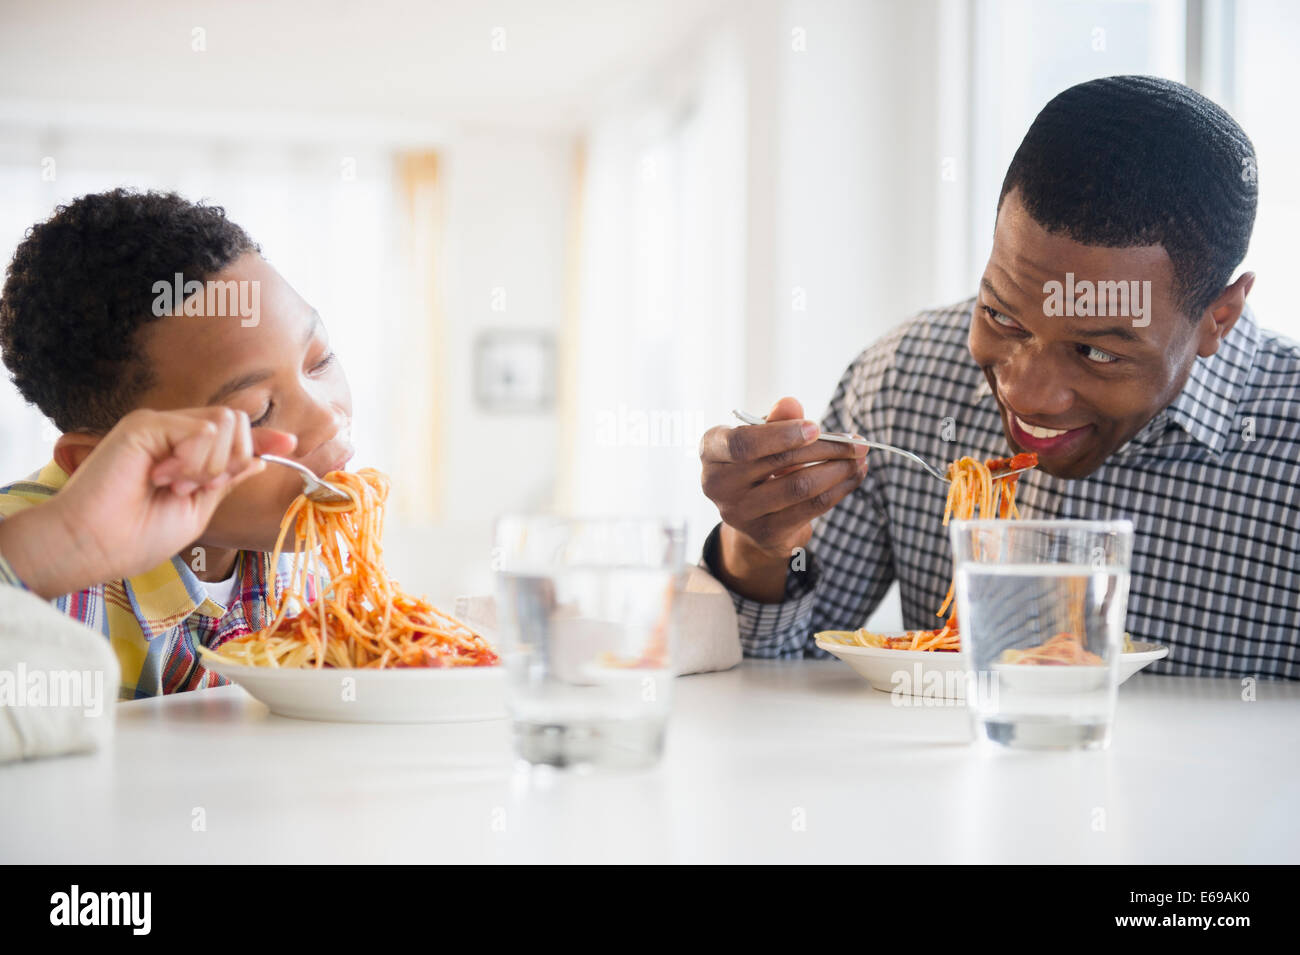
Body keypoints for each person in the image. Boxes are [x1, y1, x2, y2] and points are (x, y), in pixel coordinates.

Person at [699, 75, 1299, 678]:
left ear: (1217, 317)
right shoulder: (904, 379)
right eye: (1003, 316)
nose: (1024, 394)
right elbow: (772, 669)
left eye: (1095, 352)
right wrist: (762, 542)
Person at [0, 189, 352, 697]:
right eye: (256, 412)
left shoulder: (304, 563)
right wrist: (69, 542)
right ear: (97, 461)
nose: (329, 416)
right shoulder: (35, 553)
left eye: (320, 361)